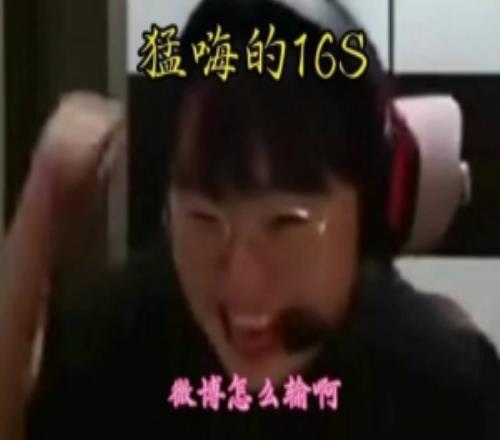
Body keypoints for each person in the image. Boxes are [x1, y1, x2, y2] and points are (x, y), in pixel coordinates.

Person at [0, 0, 499, 438]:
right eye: (204, 218)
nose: (241, 283)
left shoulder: (440, 386)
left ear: (372, 210)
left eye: (286, 223)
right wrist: (41, 206)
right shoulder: (113, 352)